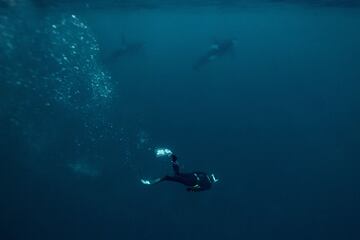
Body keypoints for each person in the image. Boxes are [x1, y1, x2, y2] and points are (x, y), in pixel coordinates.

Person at [141, 149, 219, 192]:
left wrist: (186, 175)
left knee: (177, 174)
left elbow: (196, 172)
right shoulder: (208, 186)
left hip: (192, 176)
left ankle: (173, 158)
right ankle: (150, 183)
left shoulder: (205, 174)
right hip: (191, 182)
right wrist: (190, 189)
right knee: (167, 177)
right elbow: (198, 189)